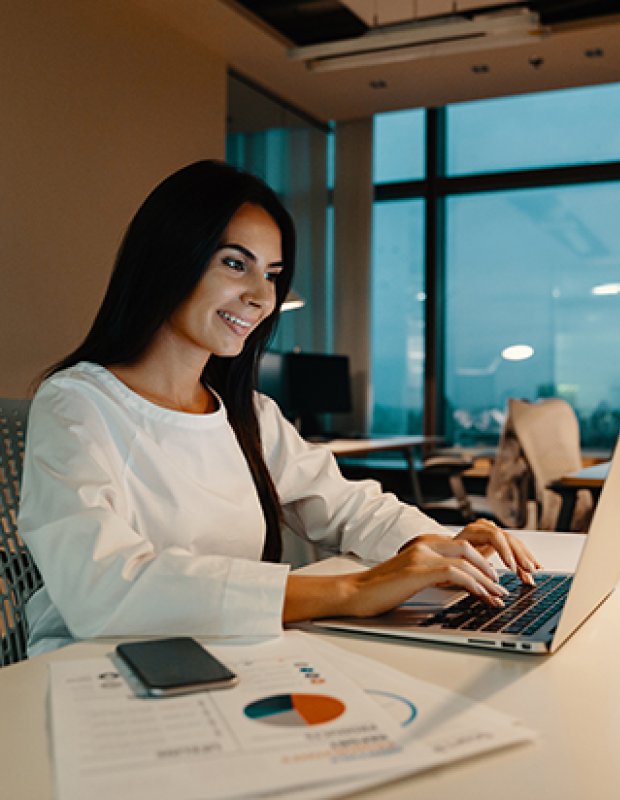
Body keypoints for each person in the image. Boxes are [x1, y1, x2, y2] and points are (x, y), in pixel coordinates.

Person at [18, 160, 539, 656]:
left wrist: (442, 547)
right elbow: (103, 587)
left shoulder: (250, 415)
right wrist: (352, 590)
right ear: (170, 256)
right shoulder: (77, 405)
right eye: (235, 263)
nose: (261, 297)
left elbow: (347, 506)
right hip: (94, 670)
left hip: (224, 654)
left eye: (271, 273)